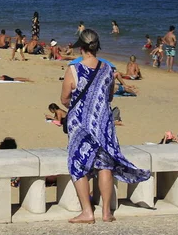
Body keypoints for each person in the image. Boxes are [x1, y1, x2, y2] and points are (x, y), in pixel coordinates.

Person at [61, 29, 150, 224]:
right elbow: (109, 97)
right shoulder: (108, 69)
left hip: (81, 125)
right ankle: (106, 213)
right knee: (105, 165)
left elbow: (64, 98)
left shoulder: (73, 69)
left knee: (78, 164)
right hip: (103, 123)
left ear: (81, 48)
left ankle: (87, 212)